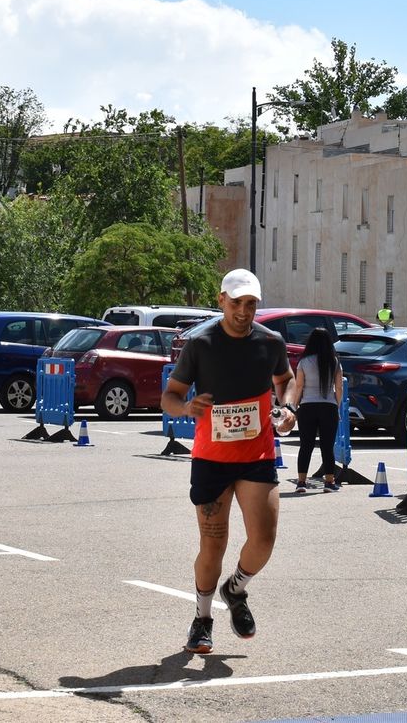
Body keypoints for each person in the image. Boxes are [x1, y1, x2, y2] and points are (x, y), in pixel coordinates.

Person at [162, 268, 294, 655]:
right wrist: (186, 408)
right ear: (221, 300)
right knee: (213, 545)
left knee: (264, 540)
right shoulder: (200, 344)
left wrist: (287, 408)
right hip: (212, 459)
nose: (243, 311)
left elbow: (285, 380)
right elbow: (170, 395)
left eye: (250, 304)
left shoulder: (270, 342)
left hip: (257, 455)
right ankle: (202, 619)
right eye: (236, 302)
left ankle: (235, 589)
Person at [288, 328, 343, 492]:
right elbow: (339, 387)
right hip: (329, 406)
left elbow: (299, 386)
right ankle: (329, 482)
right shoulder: (334, 361)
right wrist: (337, 406)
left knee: (306, 445)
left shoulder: (304, 362)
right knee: (327, 446)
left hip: (307, 407)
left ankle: (301, 482)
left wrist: (295, 407)